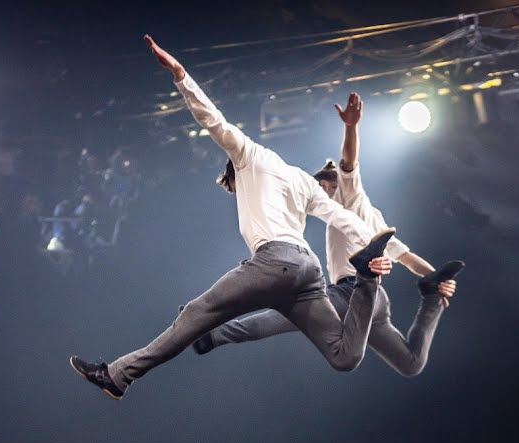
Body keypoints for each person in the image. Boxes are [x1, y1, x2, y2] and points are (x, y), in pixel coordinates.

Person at [69, 35, 399, 401]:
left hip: (276, 263)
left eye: (232, 188)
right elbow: (337, 213)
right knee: (344, 356)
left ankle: (116, 376)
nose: (237, 193)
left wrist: (180, 75)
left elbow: (213, 120)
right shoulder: (302, 180)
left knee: (196, 311)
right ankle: (367, 280)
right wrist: (371, 245)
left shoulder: (248, 155)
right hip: (308, 273)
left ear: (233, 172)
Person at [195, 92, 464, 377]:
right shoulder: (373, 218)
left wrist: (350, 127)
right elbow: (406, 257)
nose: (316, 198)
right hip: (376, 301)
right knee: (410, 364)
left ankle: (211, 334)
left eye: (320, 189)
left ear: (330, 185)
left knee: (288, 316)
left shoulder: (350, 195)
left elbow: (348, 162)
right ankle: (431, 299)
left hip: (350, 293)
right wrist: (436, 280)